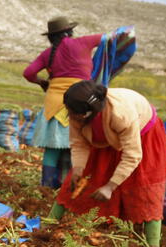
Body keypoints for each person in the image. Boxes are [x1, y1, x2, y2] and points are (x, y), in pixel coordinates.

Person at [48, 80, 166, 247]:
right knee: (76, 181)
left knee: (145, 186)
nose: (69, 115)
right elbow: (78, 143)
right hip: (105, 137)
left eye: (73, 113)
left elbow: (133, 155)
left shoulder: (121, 115)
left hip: (142, 136)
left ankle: (153, 245)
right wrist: (79, 169)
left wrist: (110, 186)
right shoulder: (76, 113)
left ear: (87, 113)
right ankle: (49, 224)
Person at [23, 16, 102, 189]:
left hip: (55, 103)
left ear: (51, 37)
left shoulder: (47, 54)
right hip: (80, 101)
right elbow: (108, 39)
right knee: (77, 146)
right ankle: (70, 187)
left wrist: (42, 82)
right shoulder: (83, 42)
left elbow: (28, 73)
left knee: (52, 148)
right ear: (69, 32)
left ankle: (46, 187)